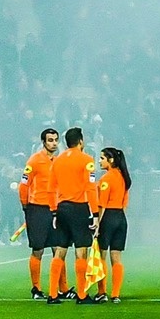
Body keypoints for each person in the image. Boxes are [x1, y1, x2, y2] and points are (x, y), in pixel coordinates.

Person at [46, 127, 96, 305]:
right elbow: (90, 188)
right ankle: (82, 295)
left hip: (62, 208)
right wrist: (95, 213)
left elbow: (50, 188)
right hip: (78, 208)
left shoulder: (57, 161)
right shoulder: (87, 160)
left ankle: (52, 294)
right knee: (81, 251)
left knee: (60, 250)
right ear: (81, 142)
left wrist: (53, 211)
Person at [19, 127, 59, 298]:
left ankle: (60, 288)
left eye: (56, 139)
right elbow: (23, 185)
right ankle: (36, 288)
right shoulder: (34, 161)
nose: (54, 143)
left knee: (58, 249)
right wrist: (25, 206)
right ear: (43, 142)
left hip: (55, 209)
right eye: (50, 140)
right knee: (38, 249)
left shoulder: (59, 161)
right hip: (37, 209)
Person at [92, 146, 132, 303]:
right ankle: (116, 294)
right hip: (121, 218)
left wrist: (97, 225)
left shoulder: (106, 179)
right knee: (116, 257)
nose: (99, 161)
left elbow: (102, 204)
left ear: (111, 160)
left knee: (101, 255)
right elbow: (124, 202)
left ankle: (102, 292)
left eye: (102, 158)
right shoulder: (124, 178)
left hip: (108, 217)